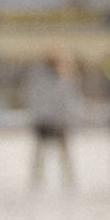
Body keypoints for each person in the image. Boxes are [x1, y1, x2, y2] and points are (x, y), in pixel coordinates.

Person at [24, 53, 81, 186]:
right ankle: (41, 179)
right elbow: (67, 101)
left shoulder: (43, 79)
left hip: (50, 120)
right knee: (48, 153)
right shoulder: (58, 79)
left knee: (52, 153)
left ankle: (64, 179)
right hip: (49, 120)